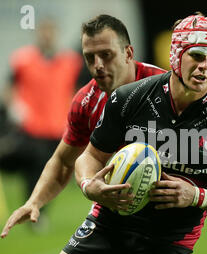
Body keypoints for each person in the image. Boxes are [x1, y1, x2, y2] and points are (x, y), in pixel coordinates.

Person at [33, 13, 207, 254]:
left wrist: (197, 196)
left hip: (165, 242)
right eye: (197, 55)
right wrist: (91, 186)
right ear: (176, 55)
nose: (206, 66)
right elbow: (88, 157)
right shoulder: (130, 98)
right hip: (109, 223)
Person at [1, 14, 166, 238]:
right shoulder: (85, 101)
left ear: (128, 53)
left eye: (106, 55)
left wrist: (195, 194)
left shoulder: (164, 88)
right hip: (109, 210)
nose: (97, 65)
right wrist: (35, 202)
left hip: (166, 220)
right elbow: (62, 162)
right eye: (90, 57)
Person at [0, 19, 83, 224]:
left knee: (53, 172)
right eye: (43, 31)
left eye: (50, 31)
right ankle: (34, 210)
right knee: (35, 165)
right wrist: (15, 108)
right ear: (38, 34)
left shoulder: (70, 62)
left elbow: (77, 89)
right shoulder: (23, 59)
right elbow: (9, 87)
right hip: (30, 127)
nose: (47, 35)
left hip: (57, 128)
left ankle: (39, 212)